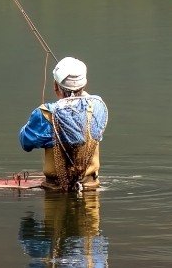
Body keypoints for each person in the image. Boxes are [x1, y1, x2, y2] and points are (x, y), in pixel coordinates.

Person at [20, 56, 109, 192]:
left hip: (56, 191)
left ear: (56, 86)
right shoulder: (98, 107)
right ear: (85, 84)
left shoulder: (44, 114)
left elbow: (25, 142)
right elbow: (89, 101)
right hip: (90, 188)